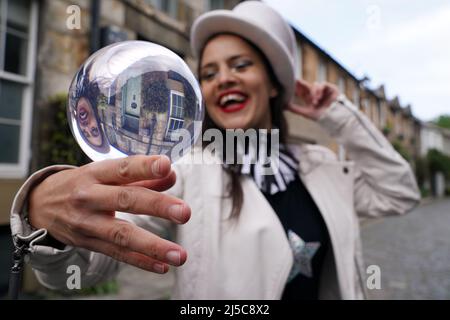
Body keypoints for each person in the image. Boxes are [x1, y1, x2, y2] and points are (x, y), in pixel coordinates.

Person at [10, 1, 420, 299]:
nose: (223, 79)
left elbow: (399, 192)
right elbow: (78, 272)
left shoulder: (324, 165)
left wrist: (336, 114)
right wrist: (46, 218)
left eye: (241, 65)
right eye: (208, 72)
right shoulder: (182, 172)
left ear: (275, 83)